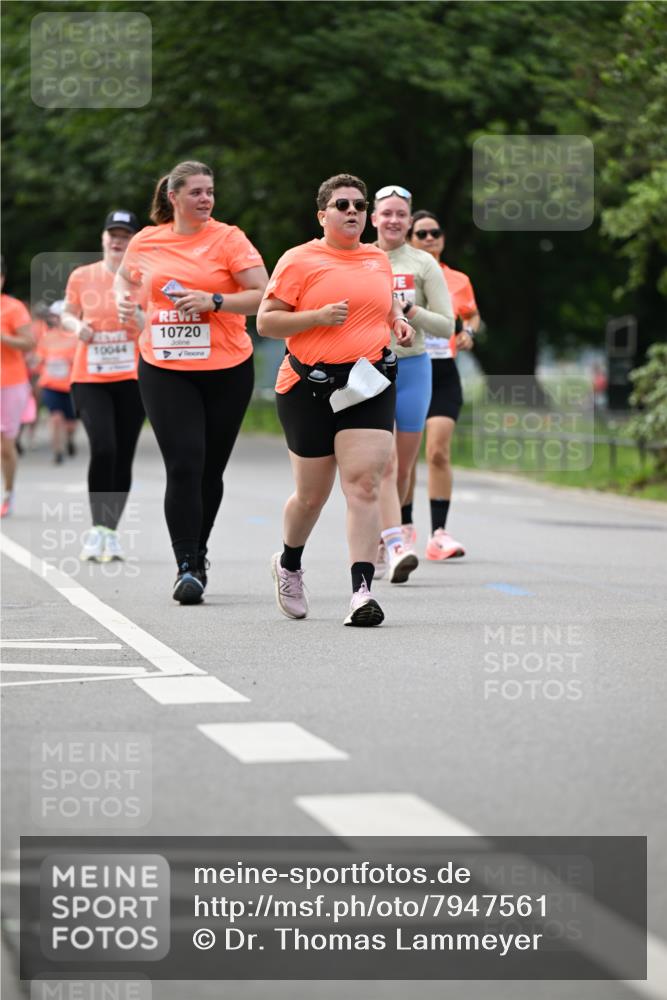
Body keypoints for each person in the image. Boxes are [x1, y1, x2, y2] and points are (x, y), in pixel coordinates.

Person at [257, 173, 413, 627]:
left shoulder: (376, 259)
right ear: (322, 214)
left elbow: (387, 306)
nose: (353, 212)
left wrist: (398, 321)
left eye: (359, 205)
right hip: (308, 387)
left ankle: (362, 593)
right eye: (342, 205)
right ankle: (288, 563)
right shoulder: (299, 260)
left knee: (363, 485)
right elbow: (267, 323)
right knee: (311, 496)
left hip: (368, 383)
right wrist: (316, 317)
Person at [115, 160, 268, 604]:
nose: (206, 199)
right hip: (164, 366)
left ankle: (199, 551)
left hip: (227, 368)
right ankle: (186, 566)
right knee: (184, 462)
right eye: (197, 192)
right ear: (173, 197)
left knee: (209, 470)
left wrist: (214, 300)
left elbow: (264, 296)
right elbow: (123, 284)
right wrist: (128, 308)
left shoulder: (229, 238)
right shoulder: (146, 240)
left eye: (210, 191)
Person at [371, 187, 454, 582]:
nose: (393, 220)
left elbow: (446, 325)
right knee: (382, 462)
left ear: (408, 220)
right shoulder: (360, 257)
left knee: (402, 468)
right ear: (374, 218)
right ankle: (385, 542)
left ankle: (391, 535)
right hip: (369, 369)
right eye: (386, 213)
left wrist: (409, 309)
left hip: (414, 370)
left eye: (400, 214)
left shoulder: (422, 263)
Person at [63, 211, 145, 563]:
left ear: (134, 241)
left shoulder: (144, 279)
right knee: (104, 447)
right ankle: (97, 529)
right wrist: (75, 327)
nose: (117, 240)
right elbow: (66, 313)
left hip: (133, 379)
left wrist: (138, 318)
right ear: (103, 239)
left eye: (125, 235)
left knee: (124, 453)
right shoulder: (82, 276)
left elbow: (154, 324)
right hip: (90, 378)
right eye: (112, 233)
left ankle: (110, 532)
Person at [405, 209, 480, 559]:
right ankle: (402, 530)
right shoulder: (402, 274)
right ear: (409, 239)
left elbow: (470, 314)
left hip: (443, 372)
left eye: (435, 232)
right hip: (407, 369)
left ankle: (438, 534)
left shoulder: (458, 280)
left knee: (437, 452)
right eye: (421, 234)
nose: (430, 238)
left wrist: (468, 332)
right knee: (401, 458)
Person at [1, 256, 36, 517]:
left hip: (9, 382)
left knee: (5, 444)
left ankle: (8, 494)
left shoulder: (12, 308)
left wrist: (3, 337)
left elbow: (29, 342)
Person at [35, 301, 78, 464]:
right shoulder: (47, 337)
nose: (55, 320)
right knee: (55, 417)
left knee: (70, 423)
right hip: (50, 384)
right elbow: (39, 357)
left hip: (71, 385)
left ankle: (69, 440)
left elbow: (80, 359)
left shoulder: (75, 337)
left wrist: (70, 360)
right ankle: (57, 451)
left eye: (58, 317)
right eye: (53, 317)